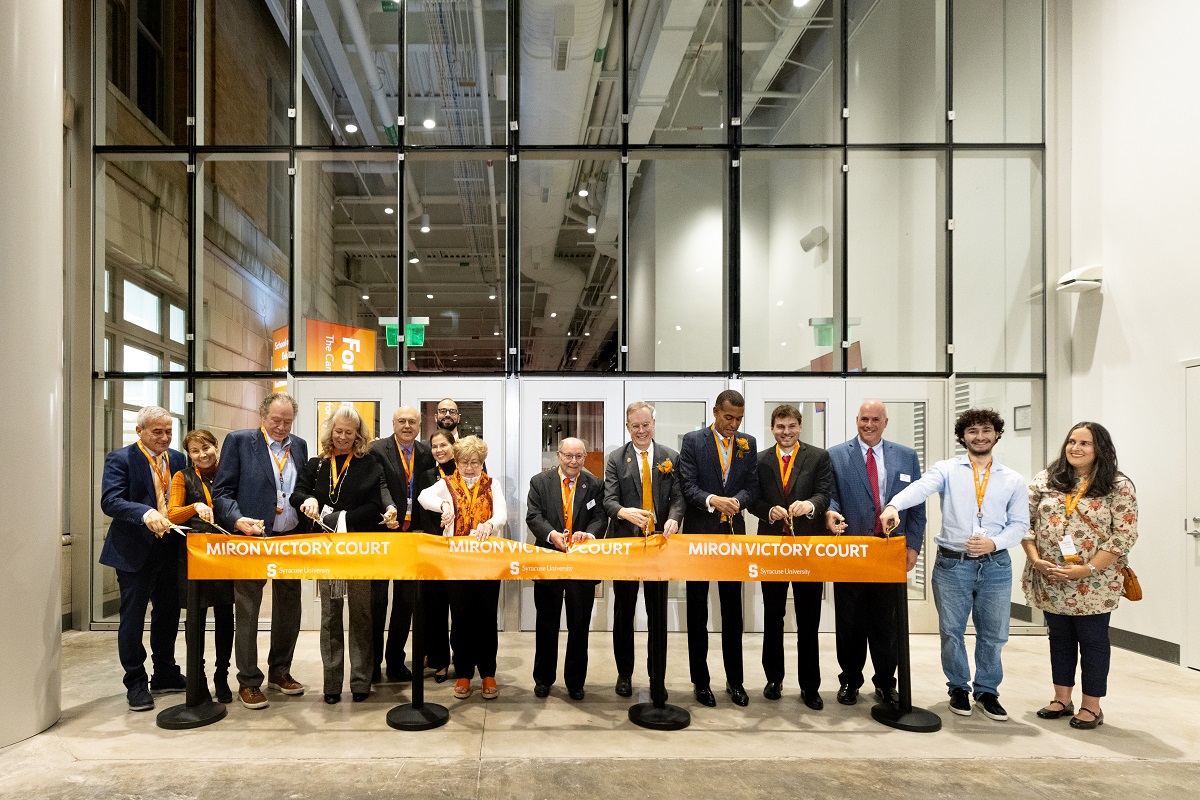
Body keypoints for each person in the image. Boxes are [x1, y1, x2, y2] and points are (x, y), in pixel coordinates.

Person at [880, 408, 1028, 722]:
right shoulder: (947, 469)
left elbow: (1019, 525)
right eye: (972, 431)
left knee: (994, 634)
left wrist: (994, 542)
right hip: (952, 564)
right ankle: (958, 687)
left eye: (986, 430)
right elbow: (919, 489)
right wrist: (893, 505)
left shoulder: (1012, 479)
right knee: (951, 631)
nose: (980, 436)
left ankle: (987, 691)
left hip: (995, 565)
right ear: (962, 437)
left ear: (997, 434)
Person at [1021, 422, 1138, 730]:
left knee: (1093, 640)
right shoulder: (1047, 479)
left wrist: (1087, 568)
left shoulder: (1119, 485)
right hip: (1052, 576)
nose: (1076, 447)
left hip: (1094, 581)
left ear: (1100, 448)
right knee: (1058, 637)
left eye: (1085, 443)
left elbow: (1123, 535)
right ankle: (1062, 698)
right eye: (1072, 441)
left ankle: (1091, 705)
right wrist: (1035, 560)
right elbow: (1023, 522)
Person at [825, 400, 925, 710]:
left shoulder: (906, 456)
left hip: (889, 550)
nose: (869, 424)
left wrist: (913, 546)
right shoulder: (836, 455)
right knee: (850, 622)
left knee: (886, 623)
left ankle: (885, 683)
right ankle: (850, 681)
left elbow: (917, 504)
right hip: (851, 551)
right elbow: (832, 497)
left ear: (885, 422)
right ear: (856, 420)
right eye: (864, 419)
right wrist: (831, 512)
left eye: (875, 419)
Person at [212, 392, 308, 709]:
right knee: (249, 610)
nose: (281, 427)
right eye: (275, 420)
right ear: (262, 416)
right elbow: (222, 491)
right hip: (253, 540)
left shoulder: (300, 446)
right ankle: (249, 681)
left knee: (289, 608)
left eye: (287, 421)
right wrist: (237, 520)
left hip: (289, 539)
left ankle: (280, 671)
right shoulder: (240, 442)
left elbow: (303, 489)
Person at [291, 405, 385, 704]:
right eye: (338, 431)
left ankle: (360, 682)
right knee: (331, 615)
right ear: (330, 430)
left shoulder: (368, 464)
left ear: (358, 434)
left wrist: (338, 519)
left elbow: (374, 508)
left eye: (349, 432)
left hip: (357, 549)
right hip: (326, 551)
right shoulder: (316, 464)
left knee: (361, 615)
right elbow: (297, 493)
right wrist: (307, 501)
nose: (343, 437)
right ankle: (332, 684)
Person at [99, 406, 188, 711]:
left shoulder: (177, 459)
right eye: (157, 432)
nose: (164, 437)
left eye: (168, 431)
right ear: (140, 431)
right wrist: (145, 512)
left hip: (169, 549)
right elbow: (111, 501)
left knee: (168, 613)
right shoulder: (120, 459)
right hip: (134, 550)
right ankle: (135, 681)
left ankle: (164, 672)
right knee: (134, 618)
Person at [678, 389, 759, 708]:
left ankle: (735, 681)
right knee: (697, 612)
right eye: (728, 418)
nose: (733, 425)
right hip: (699, 535)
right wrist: (713, 501)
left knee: (732, 614)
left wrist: (737, 501)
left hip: (732, 537)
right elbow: (687, 485)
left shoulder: (748, 443)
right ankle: (701, 682)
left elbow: (752, 487)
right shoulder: (693, 441)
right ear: (715, 412)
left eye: (739, 419)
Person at [748, 404, 832, 710]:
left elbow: (824, 493)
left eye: (792, 426)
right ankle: (774, 679)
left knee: (809, 620)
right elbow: (752, 500)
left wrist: (809, 505)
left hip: (809, 549)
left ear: (800, 427)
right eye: (781, 427)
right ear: (772, 429)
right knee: (773, 616)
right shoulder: (759, 460)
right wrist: (768, 511)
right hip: (772, 548)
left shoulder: (818, 457)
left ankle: (810, 686)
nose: (786, 432)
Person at [602, 402, 684, 701]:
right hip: (627, 546)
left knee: (657, 614)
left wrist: (674, 516)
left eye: (645, 425)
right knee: (623, 613)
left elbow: (679, 497)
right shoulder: (615, 459)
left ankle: (656, 677)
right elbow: (609, 500)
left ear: (653, 424)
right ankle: (624, 674)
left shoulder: (669, 458)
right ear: (628, 427)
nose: (641, 431)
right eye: (635, 426)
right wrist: (624, 512)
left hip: (660, 546)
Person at [418, 436, 507, 700]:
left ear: (482, 463)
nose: (469, 468)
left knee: (487, 617)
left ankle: (488, 672)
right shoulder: (446, 484)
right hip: (456, 563)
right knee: (461, 617)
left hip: (487, 562)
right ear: (456, 462)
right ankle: (465, 673)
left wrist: (489, 525)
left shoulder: (492, 484)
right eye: (465, 462)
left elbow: (501, 513)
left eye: (475, 462)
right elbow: (424, 497)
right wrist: (444, 505)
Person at [526, 437, 608, 701]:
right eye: (569, 456)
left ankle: (575, 682)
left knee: (579, 625)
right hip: (550, 561)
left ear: (584, 457)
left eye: (579, 457)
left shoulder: (594, 484)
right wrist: (551, 535)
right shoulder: (540, 482)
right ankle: (543, 679)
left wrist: (590, 535)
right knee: (546, 624)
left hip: (581, 565)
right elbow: (534, 516)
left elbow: (600, 517)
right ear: (558, 455)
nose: (574, 462)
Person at [166, 429, 234, 704]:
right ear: (189, 454)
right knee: (196, 617)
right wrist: (195, 506)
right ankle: (200, 676)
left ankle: (222, 675)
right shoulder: (183, 476)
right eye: (195, 451)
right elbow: (172, 514)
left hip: (226, 552)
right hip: (194, 556)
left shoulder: (228, 472)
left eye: (206, 447)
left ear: (216, 446)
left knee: (225, 618)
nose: (202, 454)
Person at [370, 405, 435, 683]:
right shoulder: (377, 450)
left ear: (419, 425)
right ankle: (372, 665)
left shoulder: (426, 453)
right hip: (385, 532)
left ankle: (396, 662)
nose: (407, 426)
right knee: (378, 601)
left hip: (412, 536)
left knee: (405, 603)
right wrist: (389, 508)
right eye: (402, 421)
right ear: (393, 423)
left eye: (412, 421)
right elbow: (379, 484)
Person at [411, 429, 456, 682]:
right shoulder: (427, 475)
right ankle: (439, 660)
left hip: (460, 548)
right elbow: (420, 510)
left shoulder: (463, 471)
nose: (439, 451)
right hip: (433, 547)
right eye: (435, 447)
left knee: (459, 607)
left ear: (453, 446)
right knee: (435, 606)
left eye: (443, 446)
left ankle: (461, 658)